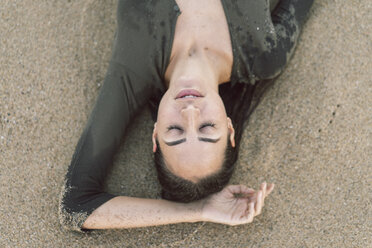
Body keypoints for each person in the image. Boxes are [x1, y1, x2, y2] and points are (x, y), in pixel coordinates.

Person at [59, 0, 313, 231]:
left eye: (175, 131)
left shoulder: (133, 70)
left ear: (156, 133)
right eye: (207, 128)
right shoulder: (264, 57)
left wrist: (197, 211)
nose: (190, 112)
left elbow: (76, 207)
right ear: (229, 128)